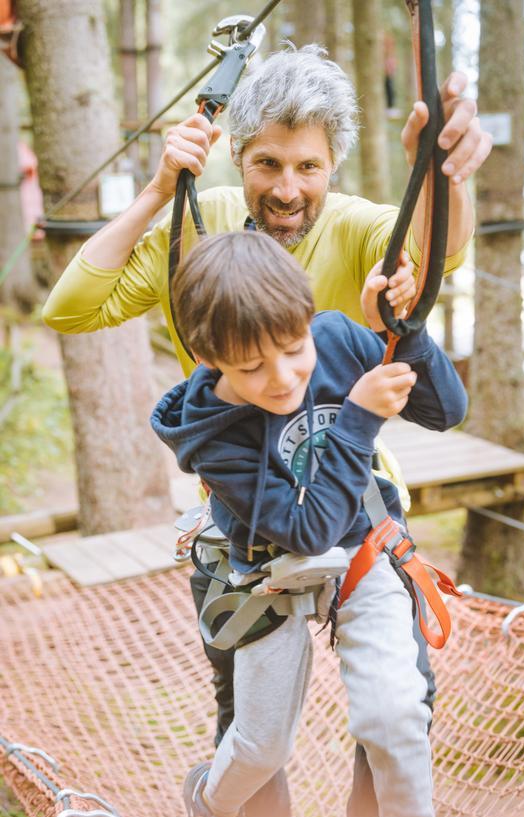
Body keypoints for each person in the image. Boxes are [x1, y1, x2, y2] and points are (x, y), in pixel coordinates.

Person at [41, 45, 491, 817]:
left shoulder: (354, 237)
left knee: (388, 715)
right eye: (268, 163)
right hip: (247, 507)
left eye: (308, 168)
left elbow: (437, 247)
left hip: (353, 504)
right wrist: (157, 191)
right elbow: (73, 307)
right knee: (257, 733)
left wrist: (442, 172)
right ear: (237, 156)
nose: (287, 189)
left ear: (333, 166)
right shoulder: (202, 231)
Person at [151, 230, 468, 817]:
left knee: (395, 717)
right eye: (250, 367)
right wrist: (358, 419)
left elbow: (445, 410)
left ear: (307, 318)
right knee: (260, 746)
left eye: (294, 348)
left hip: (363, 549)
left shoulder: (337, 340)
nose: (282, 378)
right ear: (208, 359)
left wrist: (404, 330)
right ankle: (209, 797)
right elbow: (306, 529)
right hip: (267, 570)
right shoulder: (211, 439)